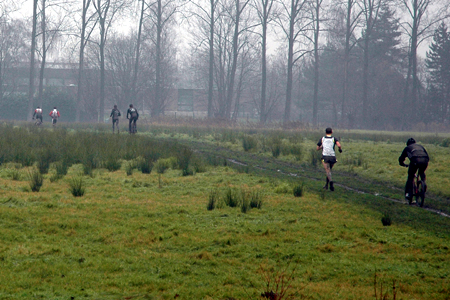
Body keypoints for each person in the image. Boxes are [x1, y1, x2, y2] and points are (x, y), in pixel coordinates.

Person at [399, 138, 429, 203]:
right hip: (425, 160)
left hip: (415, 160)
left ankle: (408, 194)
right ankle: (423, 183)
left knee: (410, 176)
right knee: (421, 172)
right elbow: (427, 156)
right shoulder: (420, 146)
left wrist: (403, 164)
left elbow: (401, 159)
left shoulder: (407, 148)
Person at [316, 127, 342, 191]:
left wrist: (322, 147)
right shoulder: (334, 138)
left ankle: (331, 184)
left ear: (325, 132)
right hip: (332, 157)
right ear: (332, 132)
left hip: (325, 157)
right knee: (329, 171)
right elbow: (339, 145)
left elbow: (317, 148)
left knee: (328, 171)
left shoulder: (323, 139)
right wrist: (340, 149)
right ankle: (326, 185)